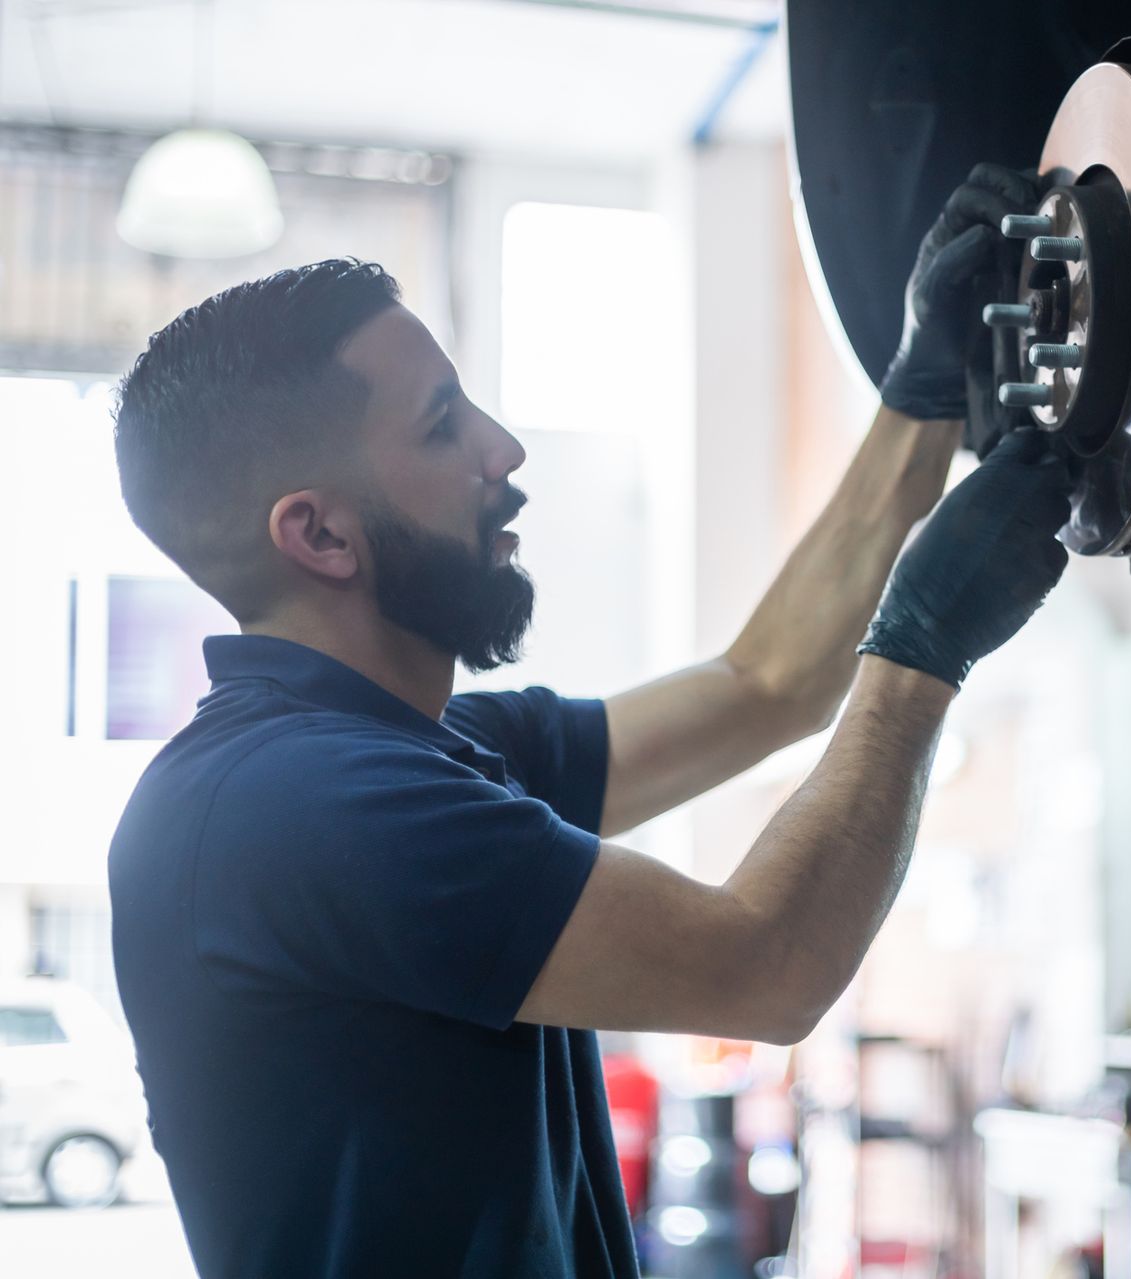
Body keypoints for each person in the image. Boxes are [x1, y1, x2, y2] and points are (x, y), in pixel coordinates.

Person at [107, 163, 1064, 1277]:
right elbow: (767, 965)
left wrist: (920, 397)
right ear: (319, 536)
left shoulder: (427, 753)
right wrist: (923, 647)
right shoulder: (300, 807)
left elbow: (769, 683)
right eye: (441, 427)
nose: (502, 450)